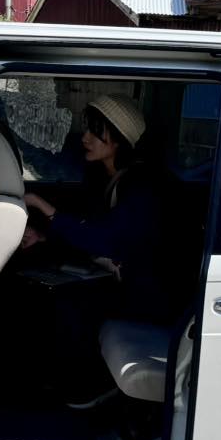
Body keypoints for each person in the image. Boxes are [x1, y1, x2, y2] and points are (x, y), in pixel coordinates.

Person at [22, 95, 179, 328]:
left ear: (119, 139)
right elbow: (87, 226)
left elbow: (104, 240)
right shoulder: (101, 177)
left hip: (142, 294)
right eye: (87, 129)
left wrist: (40, 204)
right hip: (113, 280)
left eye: (96, 132)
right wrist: (44, 237)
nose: (85, 137)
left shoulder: (142, 186)